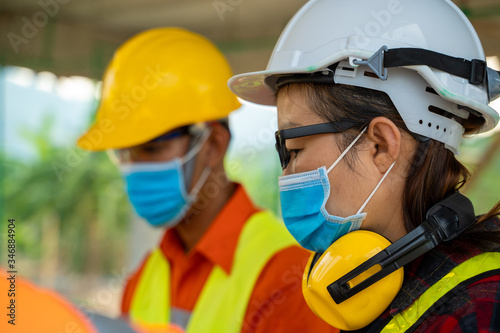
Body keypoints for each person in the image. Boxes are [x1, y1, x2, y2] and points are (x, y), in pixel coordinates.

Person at [228, 0, 500, 332]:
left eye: (294, 149)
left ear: (380, 146)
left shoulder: (477, 310)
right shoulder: (373, 288)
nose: (285, 175)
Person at [77, 27, 337, 333]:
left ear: (213, 144)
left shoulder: (286, 276)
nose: (134, 168)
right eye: (124, 153)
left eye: (151, 148)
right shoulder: (144, 276)